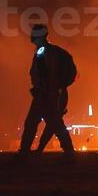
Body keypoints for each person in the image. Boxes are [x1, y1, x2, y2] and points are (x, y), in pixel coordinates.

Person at [18, 22, 77, 157]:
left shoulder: (42, 51)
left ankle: (24, 152)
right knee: (54, 123)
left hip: (45, 95)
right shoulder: (51, 51)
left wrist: (43, 90)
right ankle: (69, 151)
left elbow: (45, 73)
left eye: (34, 33)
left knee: (34, 122)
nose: (31, 36)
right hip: (50, 93)